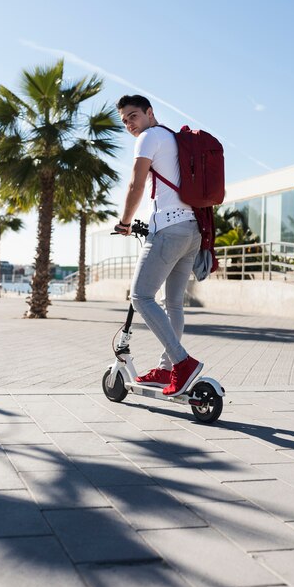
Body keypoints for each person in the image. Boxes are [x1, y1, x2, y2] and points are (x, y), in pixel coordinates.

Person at [115, 94, 203, 397]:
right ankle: (167, 368)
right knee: (173, 303)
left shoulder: (149, 137)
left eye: (133, 116)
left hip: (169, 228)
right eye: (125, 121)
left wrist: (125, 222)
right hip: (193, 229)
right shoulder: (173, 138)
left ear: (150, 113)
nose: (129, 124)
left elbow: (136, 185)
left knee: (140, 296)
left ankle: (181, 362)